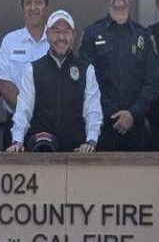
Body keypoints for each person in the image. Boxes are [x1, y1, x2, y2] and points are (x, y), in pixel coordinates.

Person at [79, 0, 159, 151]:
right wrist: (113, 115)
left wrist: (132, 114)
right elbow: (88, 82)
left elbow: (152, 83)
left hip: (138, 128)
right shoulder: (92, 34)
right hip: (101, 128)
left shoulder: (145, 36)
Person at [6, 10, 101, 153]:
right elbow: (23, 110)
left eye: (66, 32)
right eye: (56, 32)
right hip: (42, 152)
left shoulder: (87, 70)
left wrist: (91, 141)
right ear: (47, 34)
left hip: (77, 153)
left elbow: (93, 111)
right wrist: (17, 141)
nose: (61, 37)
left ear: (73, 35)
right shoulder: (33, 70)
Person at [0, 0, 51, 111]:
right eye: (28, 3)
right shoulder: (10, 41)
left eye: (38, 2)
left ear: (46, 7)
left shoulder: (57, 42)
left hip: (50, 124)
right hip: (16, 122)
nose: (33, 7)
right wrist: (27, 111)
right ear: (22, 7)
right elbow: (3, 83)